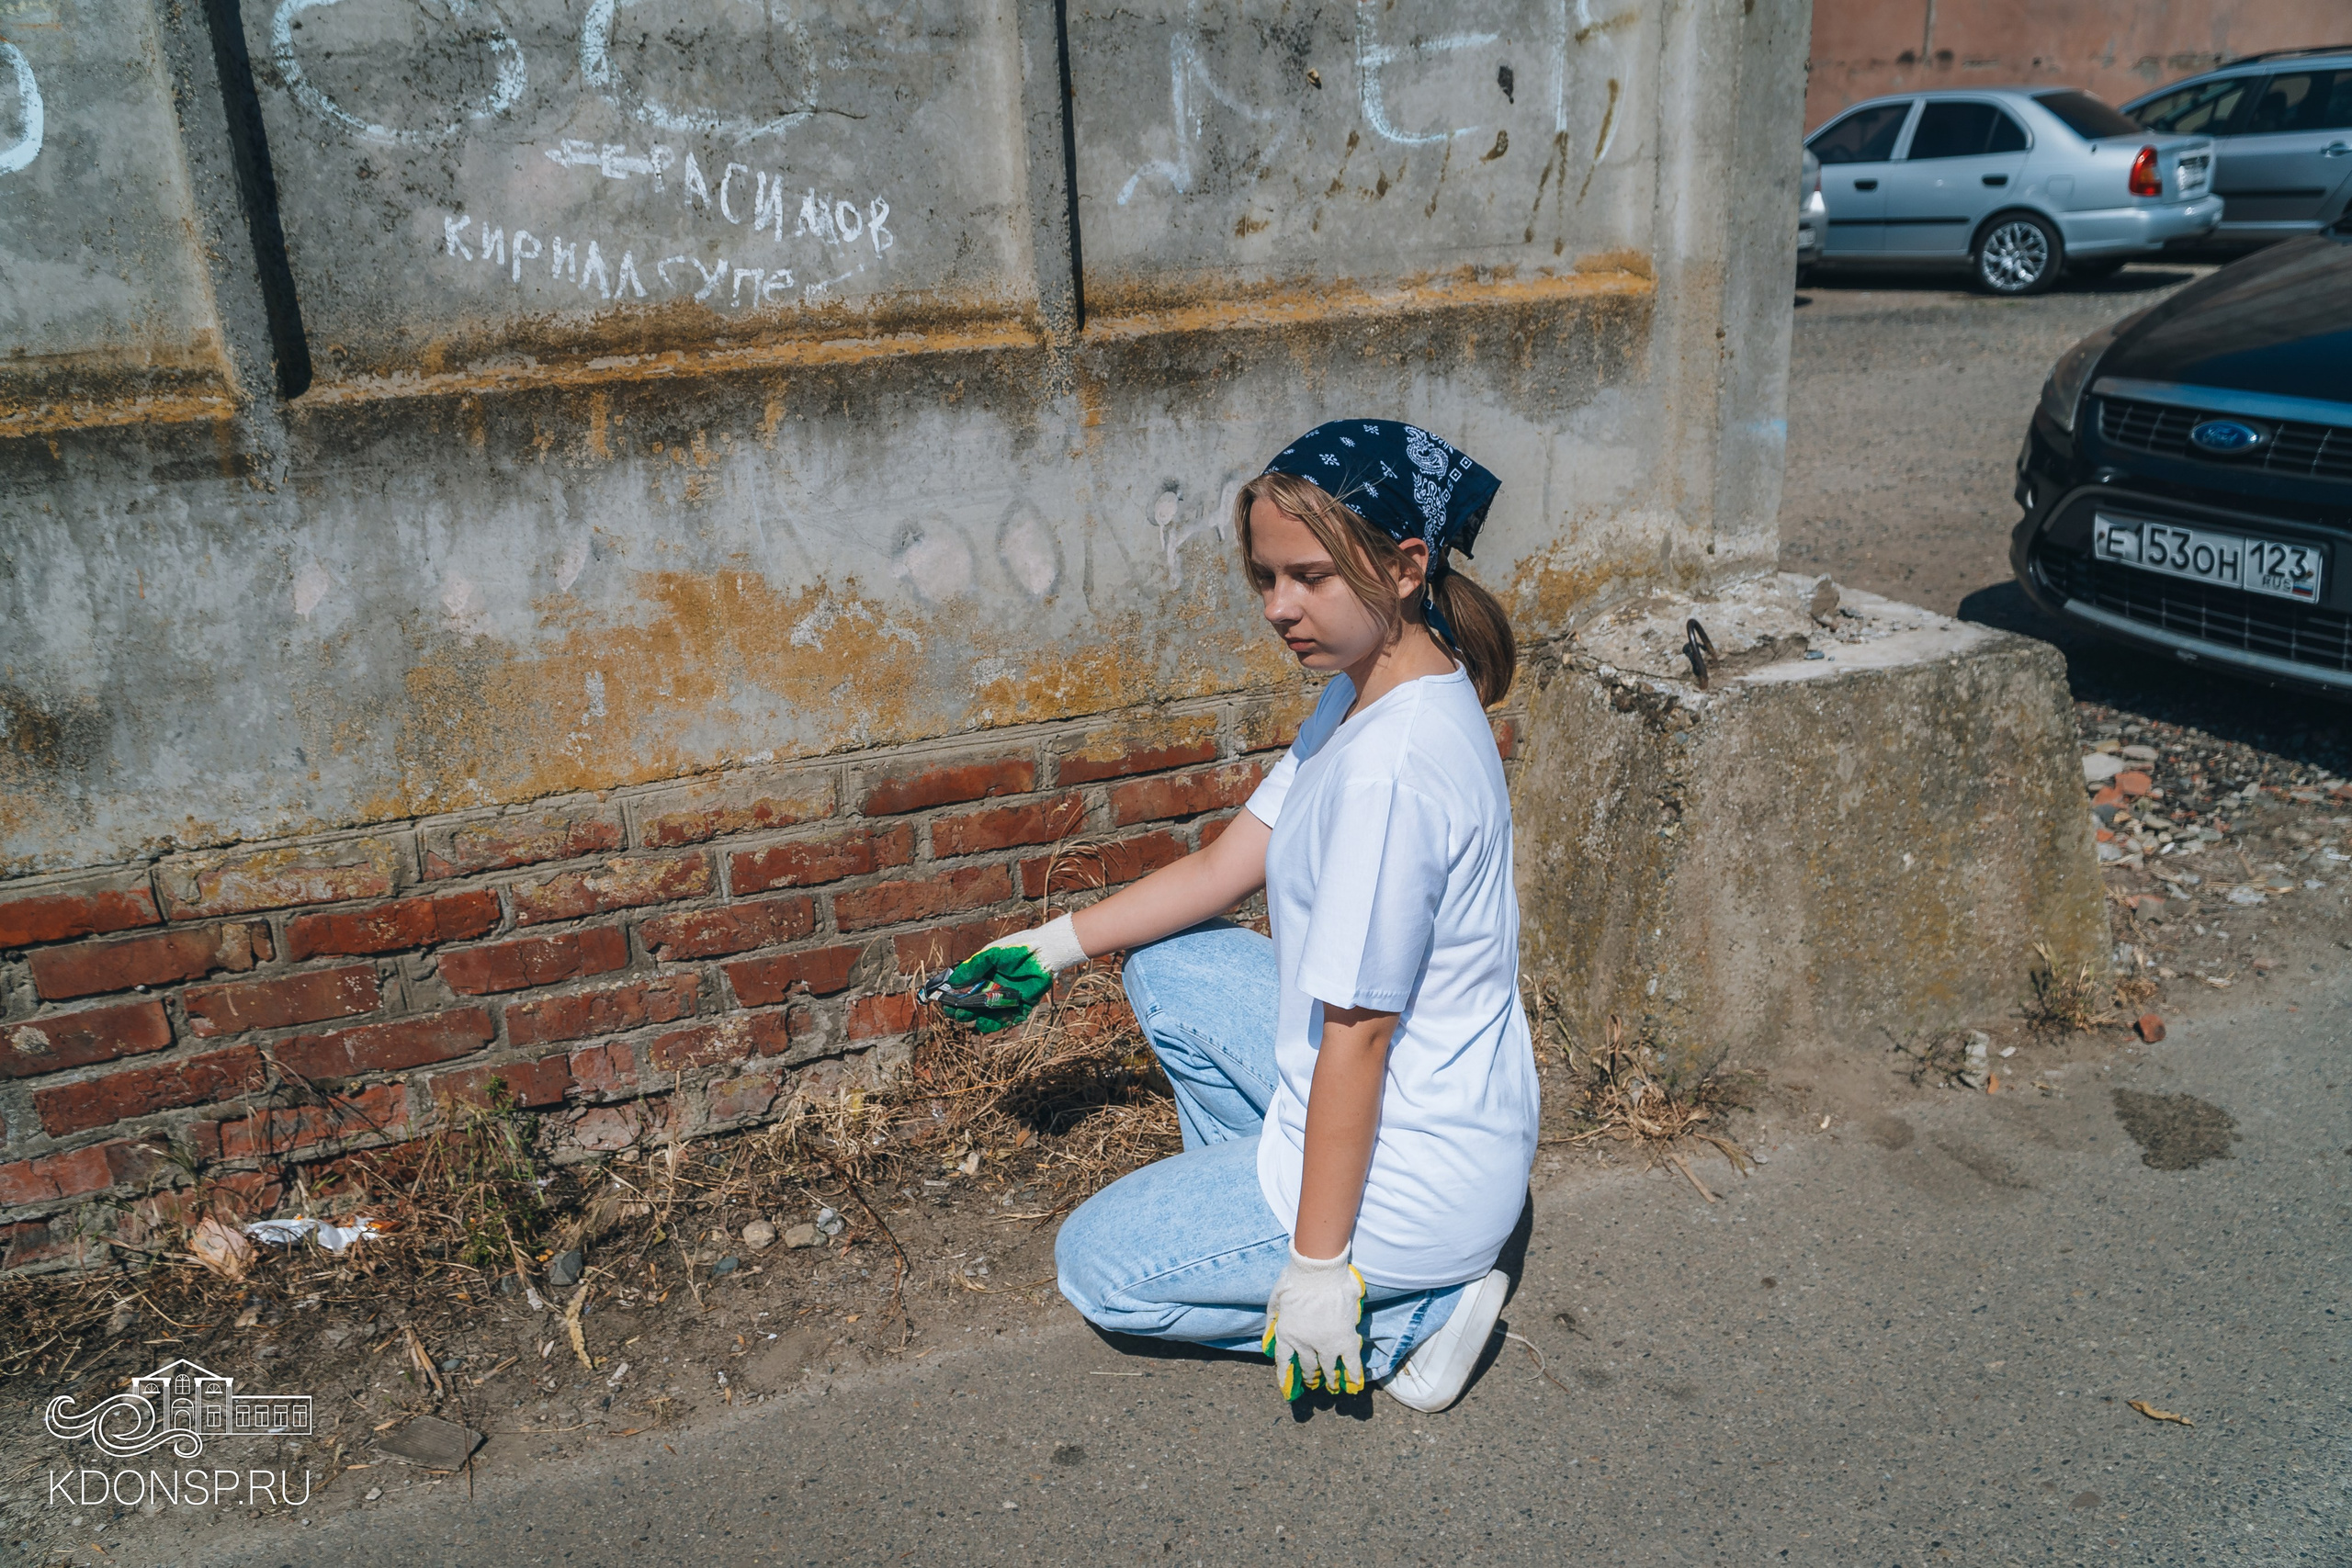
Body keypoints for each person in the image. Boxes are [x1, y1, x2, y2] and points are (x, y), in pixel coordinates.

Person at [930, 420, 1537, 1412]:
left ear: (1403, 566)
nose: (1278, 608)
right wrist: (1046, 946)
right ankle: (1263, 1223)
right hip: (1446, 1109)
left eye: (1308, 578)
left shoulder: (1392, 772)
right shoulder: (1371, 688)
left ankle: (1409, 1314)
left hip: (1415, 1176)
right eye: (1265, 579)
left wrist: (1313, 1269)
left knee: (1100, 1269)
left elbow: (1361, 1035)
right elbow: (1224, 867)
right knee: (1177, 967)